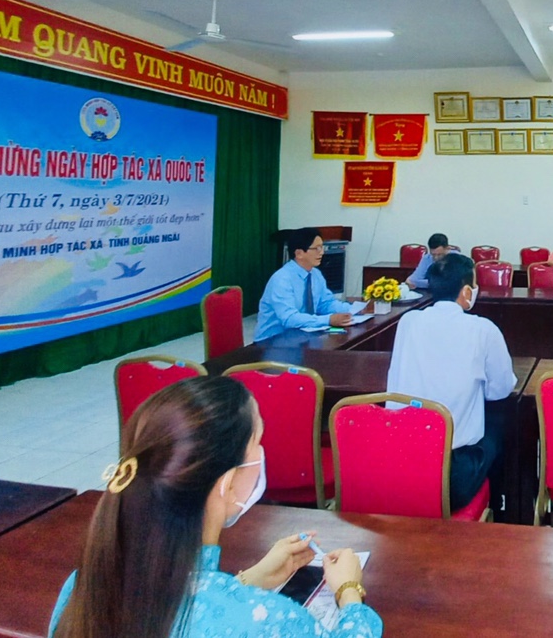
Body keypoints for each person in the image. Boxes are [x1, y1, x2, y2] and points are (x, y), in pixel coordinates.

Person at [49, 377, 381, 638]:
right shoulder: (264, 619)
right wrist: (349, 591)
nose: (262, 455)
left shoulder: (82, 586)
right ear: (226, 484)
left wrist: (246, 581)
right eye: (257, 443)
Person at [387, 254, 516, 509]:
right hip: (450, 477)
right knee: (500, 424)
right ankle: (502, 510)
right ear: (467, 291)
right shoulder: (483, 329)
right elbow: (500, 390)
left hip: (400, 463)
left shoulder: (408, 322)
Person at [254, 227, 368, 342]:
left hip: (302, 336)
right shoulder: (282, 279)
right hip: (272, 341)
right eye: (316, 248)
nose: (322, 252)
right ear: (299, 253)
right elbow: (289, 318)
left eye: (321, 247)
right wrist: (328, 320)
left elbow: (326, 304)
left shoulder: (315, 274)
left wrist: (357, 309)